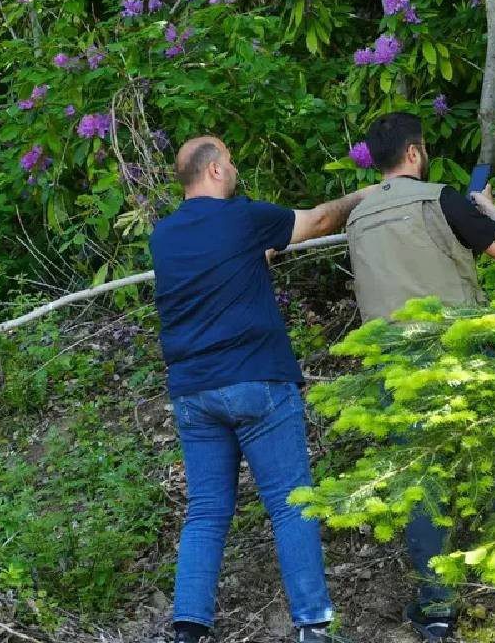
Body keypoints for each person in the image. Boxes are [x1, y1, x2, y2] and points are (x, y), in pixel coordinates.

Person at [149, 135, 371, 643]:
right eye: (228, 160)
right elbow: (316, 220)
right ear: (214, 172)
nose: (233, 167)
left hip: (193, 393)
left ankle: (189, 628)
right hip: (255, 380)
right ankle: (313, 624)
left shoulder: (164, 237)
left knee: (205, 510)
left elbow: (221, 272)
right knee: (291, 503)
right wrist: (362, 197)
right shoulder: (241, 219)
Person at [345, 113, 495, 642]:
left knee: (419, 479)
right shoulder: (441, 199)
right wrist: (488, 207)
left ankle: (438, 606)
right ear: (416, 153)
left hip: (392, 365)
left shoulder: (357, 218)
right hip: (457, 348)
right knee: (490, 454)